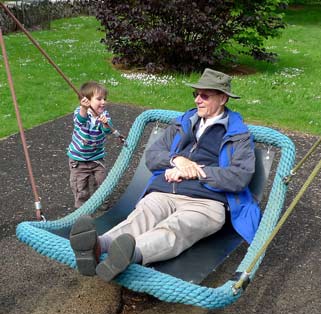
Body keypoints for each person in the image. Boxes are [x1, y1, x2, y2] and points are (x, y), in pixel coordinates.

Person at [70, 68, 261, 281]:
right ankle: (98, 246)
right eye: (195, 94)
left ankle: (131, 254)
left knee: (175, 228)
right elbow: (152, 155)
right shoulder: (183, 122)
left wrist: (195, 172)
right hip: (165, 191)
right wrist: (176, 160)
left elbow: (239, 177)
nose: (197, 100)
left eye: (204, 95)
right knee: (141, 217)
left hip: (206, 202)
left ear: (223, 98)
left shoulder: (238, 135)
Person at [67, 81, 114, 209]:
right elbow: (80, 121)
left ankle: (102, 202)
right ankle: (82, 208)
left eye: (104, 99)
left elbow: (108, 131)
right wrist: (83, 107)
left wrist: (105, 124)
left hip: (97, 157)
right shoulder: (81, 112)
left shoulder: (104, 115)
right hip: (79, 159)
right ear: (86, 100)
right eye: (99, 99)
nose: (103, 102)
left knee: (103, 181)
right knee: (80, 186)